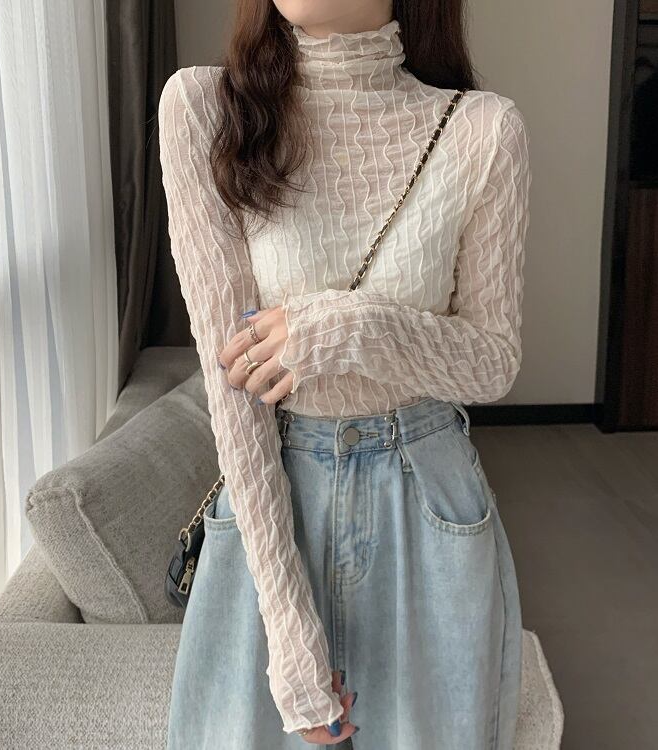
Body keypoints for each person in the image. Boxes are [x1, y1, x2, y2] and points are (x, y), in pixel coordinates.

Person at [157, 0, 531, 747]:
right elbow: (233, 387)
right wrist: (289, 630)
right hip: (271, 494)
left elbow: (493, 361)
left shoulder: (483, 129)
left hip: (427, 501)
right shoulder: (204, 107)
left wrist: (348, 329)